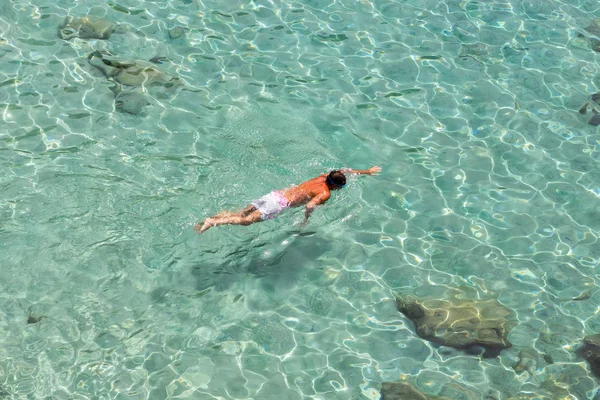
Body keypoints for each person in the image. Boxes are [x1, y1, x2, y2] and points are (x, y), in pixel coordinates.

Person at [195, 166, 381, 234]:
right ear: (335, 186)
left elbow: (345, 170)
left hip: (276, 194)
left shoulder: (322, 176)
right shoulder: (325, 193)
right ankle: (212, 222)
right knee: (246, 222)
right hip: (279, 204)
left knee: (243, 213)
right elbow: (309, 205)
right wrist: (306, 219)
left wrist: (366, 172)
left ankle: (210, 218)